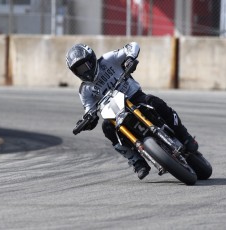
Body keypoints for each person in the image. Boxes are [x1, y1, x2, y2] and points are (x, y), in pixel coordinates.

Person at [66, 42, 198, 180]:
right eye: (79, 70)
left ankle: (185, 136)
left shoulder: (108, 59)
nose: (84, 71)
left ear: (92, 59)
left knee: (154, 101)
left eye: (85, 66)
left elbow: (132, 46)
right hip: (115, 113)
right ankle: (137, 161)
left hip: (134, 96)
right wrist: (88, 120)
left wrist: (130, 58)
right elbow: (89, 109)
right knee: (107, 128)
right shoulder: (84, 90)